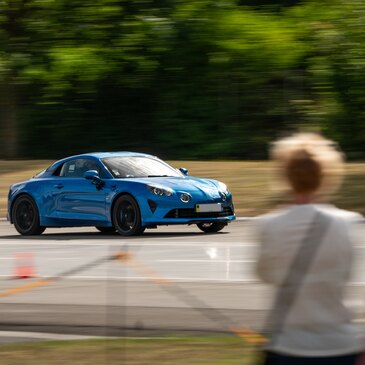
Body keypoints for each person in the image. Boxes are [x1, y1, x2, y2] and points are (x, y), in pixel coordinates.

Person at [256, 133, 363, 364]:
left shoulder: (268, 225)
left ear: (285, 175)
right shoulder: (348, 223)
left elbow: (264, 274)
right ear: (327, 175)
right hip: (340, 345)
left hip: (288, 347)